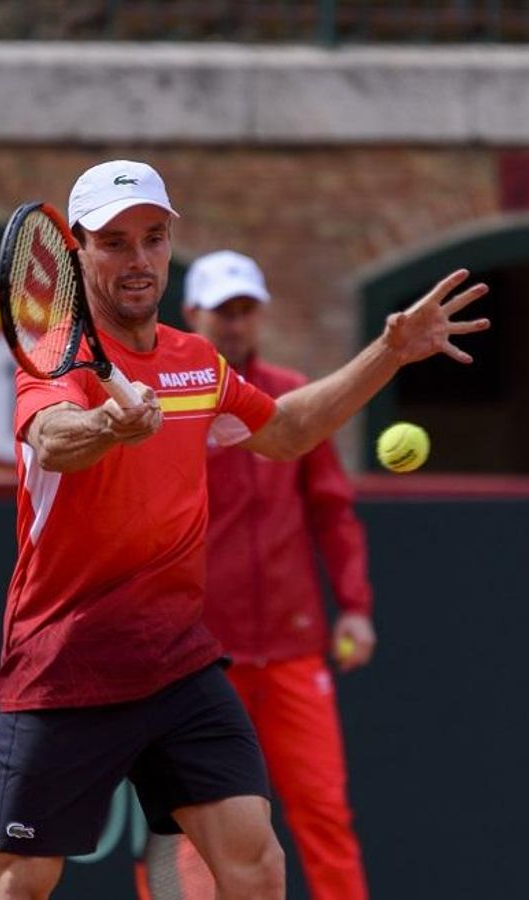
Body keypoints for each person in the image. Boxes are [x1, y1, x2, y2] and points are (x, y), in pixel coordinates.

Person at [0, 160, 487, 900]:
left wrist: (389, 352)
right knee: (19, 881)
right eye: (115, 243)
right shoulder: (57, 357)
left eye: (153, 239)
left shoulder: (195, 362)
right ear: (77, 250)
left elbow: (285, 432)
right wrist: (107, 426)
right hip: (69, 659)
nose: (139, 260)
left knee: (254, 864)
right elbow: (53, 438)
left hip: (179, 660)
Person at [133, 250, 375, 900]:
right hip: (202, 659)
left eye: (245, 310)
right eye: (223, 311)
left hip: (293, 650)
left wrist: (353, 604)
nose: (235, 324)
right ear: (193, 315)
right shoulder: (170, 401)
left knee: (323, 812)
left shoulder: (292, 397)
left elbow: (332, 512)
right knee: (187, 822)